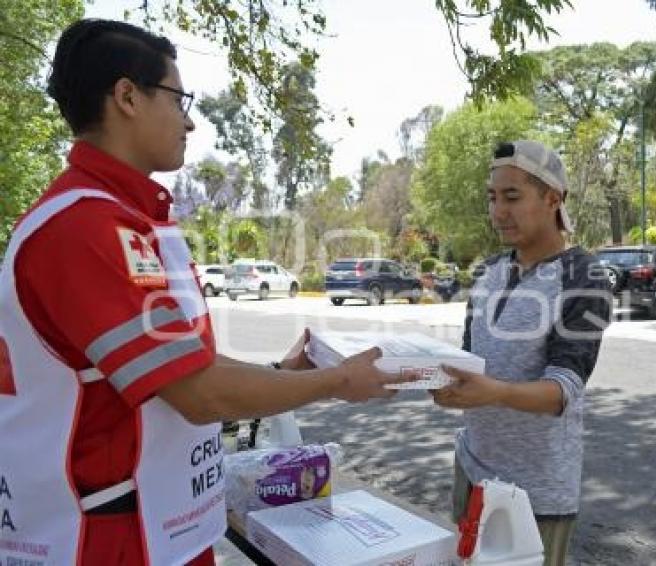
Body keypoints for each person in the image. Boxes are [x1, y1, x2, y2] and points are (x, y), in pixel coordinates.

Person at [0, 19, 410, 566]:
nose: (189, 120)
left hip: (163, 526)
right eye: (178, 97)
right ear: (126, 96)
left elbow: (182, 364)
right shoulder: (82, 228)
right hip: (100, 540)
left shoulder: (135, 223)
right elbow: (199, 393)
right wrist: (336, 381)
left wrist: (283, 375)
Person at [432, 140, 612, 565]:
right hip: (472, 468)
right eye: (493, 197)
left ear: (553, 198)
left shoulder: (583, 276)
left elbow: (563, 391)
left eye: (512, 197)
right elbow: (469, 359)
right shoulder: (488, 273)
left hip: (537, 491)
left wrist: (491, 392)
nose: (498, 211)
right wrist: (439, 380)